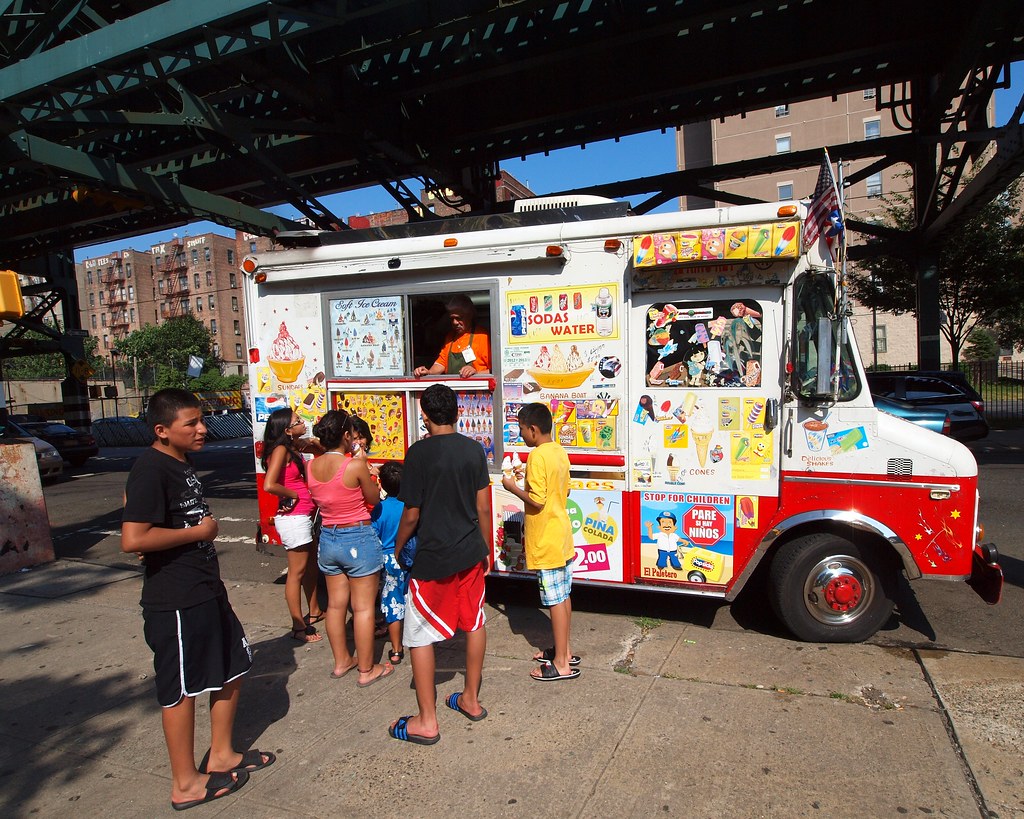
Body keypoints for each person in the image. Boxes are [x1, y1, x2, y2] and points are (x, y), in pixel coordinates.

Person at [121, 388, 274, 811]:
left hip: (206, 588)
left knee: (234, 664)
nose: (202, 428)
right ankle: (185, 782)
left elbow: (134, 507)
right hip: (175, 599)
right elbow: (132, 538)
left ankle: (222, 753)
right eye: (191, 423)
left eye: (201, 420)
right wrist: (197, 533)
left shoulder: (178, 461)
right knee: (181, 690)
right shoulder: (152, 467)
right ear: (162, 430)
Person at [388, 384, 491, 745]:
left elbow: (411, 513)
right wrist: (487, 547)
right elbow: (482, 507)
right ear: (458, 413)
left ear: (425, 416)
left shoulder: (417, 454)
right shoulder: (474, 450)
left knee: (419, 636)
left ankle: (426, 720)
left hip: (433, 558)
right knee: (474, 622)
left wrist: (397, 547)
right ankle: (471, 700)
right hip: (470, 553)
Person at [308, 409, 394, 687]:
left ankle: (342, 661)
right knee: (363, 608)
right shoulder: (353, 465)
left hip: (328, 540)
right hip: (357, 537)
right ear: (346, 435)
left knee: (335, 605)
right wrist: (364, 462)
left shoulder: (311, 466)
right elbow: (374, 499)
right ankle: (367, 669)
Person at [501, 403, 580, 681]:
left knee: (555, 600)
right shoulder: (559, 451)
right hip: (561, 534)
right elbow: (563, 489)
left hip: (546, 537)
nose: (521, 434)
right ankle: (565, 651)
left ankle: (561, 663)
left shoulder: (536, 456)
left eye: (522, 429)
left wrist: (512, 487)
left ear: (533, 430)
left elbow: (537, 500)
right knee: (564, 596)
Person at [261, 407, 325, 643]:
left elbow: (316, 446)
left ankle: (315, 610)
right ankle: (298, 626)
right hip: (294, 518)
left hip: (303, 517)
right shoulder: (280, 450)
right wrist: (293, 495)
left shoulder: (290, 447)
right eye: (298, 421)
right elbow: (269, 484)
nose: (303, 423)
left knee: (310, 567)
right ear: (287, 430)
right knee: (296, 573)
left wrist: (312, 442)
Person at [371, 461, 409, 665]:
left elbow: (373, 536)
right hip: (409, 557)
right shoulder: (410, 507)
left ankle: (396, 649)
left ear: (382, 485)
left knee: (392, 605)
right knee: (412, 600)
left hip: (388, 561)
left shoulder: (379, 509)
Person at [413, 294, 491, 378]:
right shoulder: (450, 337)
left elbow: (495, 370)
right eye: (452, 318)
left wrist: (476, 373)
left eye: (459, 318)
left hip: (476, 389)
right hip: (453, 389)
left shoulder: (482, 336)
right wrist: (428, 372)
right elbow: (441, 363)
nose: (455, 322)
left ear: (470, 315)